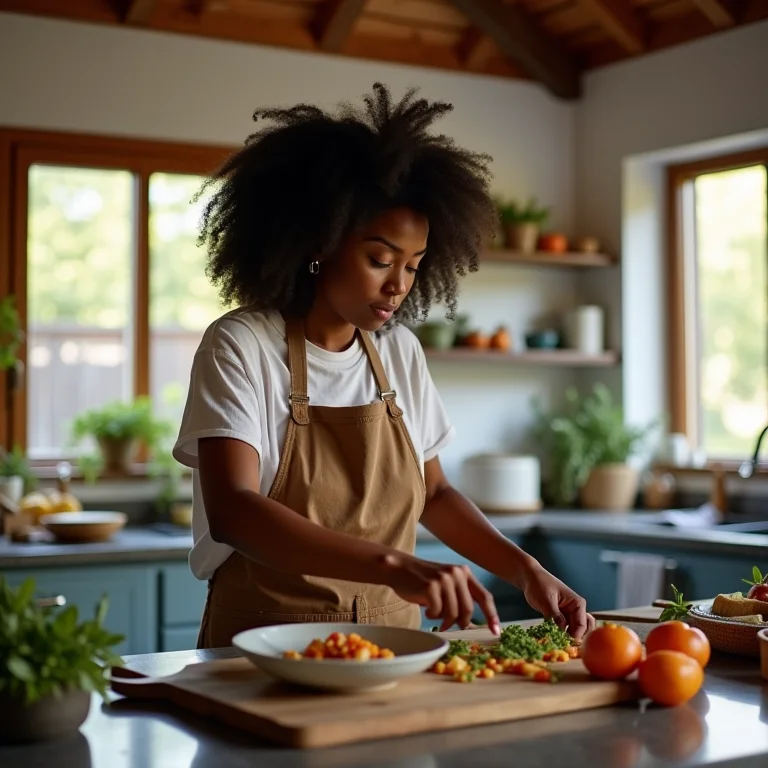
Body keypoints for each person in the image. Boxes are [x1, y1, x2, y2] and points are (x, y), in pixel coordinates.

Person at [173, 83, 595, 649]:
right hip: (265, 645)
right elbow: (234, 511)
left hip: (394, 644)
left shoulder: (400, 353)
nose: (397, 285)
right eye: (379, 259)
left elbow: (435, 494)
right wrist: (395, 565)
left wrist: (527, 570)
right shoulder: (242, 345)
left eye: (414, 266)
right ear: (318, 244)